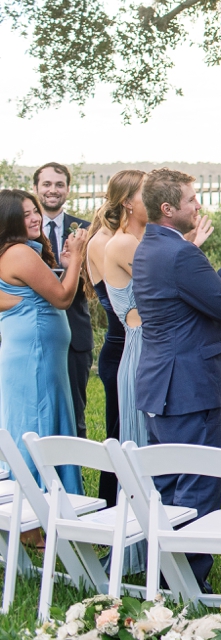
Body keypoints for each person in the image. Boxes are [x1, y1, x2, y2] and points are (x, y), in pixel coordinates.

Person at [132, 168, 221, 588]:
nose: (198, 205)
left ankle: (159, 582)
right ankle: (187, 589)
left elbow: (194, 298)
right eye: (191, 200)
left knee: (165, 488)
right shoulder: (181, 254)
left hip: (161, 385)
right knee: (198, 490)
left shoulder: (150, 247)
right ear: (168, 209)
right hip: (191, 388)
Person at [0, 189, 87, 493]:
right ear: (9, 220)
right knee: (36, 428)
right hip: (35, 359)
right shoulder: (19, 253)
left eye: (34, 210)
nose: (35, 217)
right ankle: (35, 520)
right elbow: (62, 297)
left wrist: (64, 264)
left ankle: (39, 518)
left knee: (38, 425)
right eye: (25, 214)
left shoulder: (15, 251)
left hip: (38, 357)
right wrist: (77, 256)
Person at [85, 170, 144, 505]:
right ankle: (113, 513)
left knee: (127, 438)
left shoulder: (126, 237)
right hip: (122, 348)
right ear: (127, 200)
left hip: (133, 345)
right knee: (119, 438)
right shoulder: (105, 243)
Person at [33, 162, 94, 438]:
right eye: (46, 184)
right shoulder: (24, 231)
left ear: (68, 189)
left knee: (74, 412)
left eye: (59, 184)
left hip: (74, 334)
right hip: (34, 332)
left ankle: (73, 478)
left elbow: (98, 281)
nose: (52, 190)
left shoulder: (86, 230)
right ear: (35, 189)